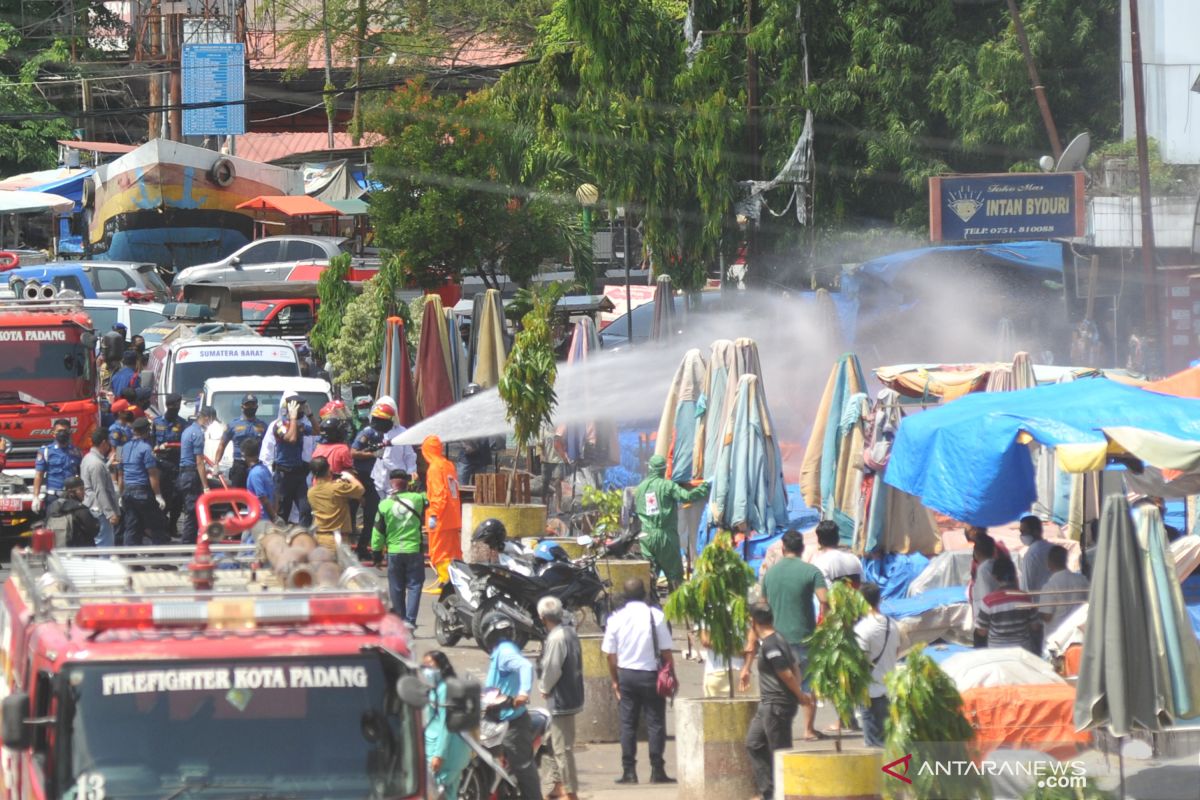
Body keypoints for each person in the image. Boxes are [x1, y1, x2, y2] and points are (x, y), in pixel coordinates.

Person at [744, 529, 827, 742]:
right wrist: (823, 622)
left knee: (778, 684)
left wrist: (752, 641)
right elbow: (824, 600)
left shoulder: (770, 573)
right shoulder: (811, 572)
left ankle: (778, 728)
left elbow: (761, 607)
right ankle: (808, 730)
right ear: (802, 549)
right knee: (809, 683)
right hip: (806, 636)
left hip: (775, 638)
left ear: (783, 549)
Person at [601, 578, 675, 785]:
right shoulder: (657, 616)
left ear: (624, 596)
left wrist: (615, 680)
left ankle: (629, 771)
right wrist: (672, 676)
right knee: (656, 722)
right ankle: (657, 769)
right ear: (645, 594)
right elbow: (667, 652)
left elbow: (610, 655)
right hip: (651, 674)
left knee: (627, 723)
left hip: (627, 675)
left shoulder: (615, 619)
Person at [741, 603, 810, 800]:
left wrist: (799, 695)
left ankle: (787, 793)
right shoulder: (777, 639)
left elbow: (786, 673)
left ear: (754, 622)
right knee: (754, 743)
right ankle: (769, 792)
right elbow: (795, 666)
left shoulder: (772, 644)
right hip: (768, 704)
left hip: (777, 705)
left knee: (780, 752)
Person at [480, 612, 542, 799]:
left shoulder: (505, 652)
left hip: (512, 722)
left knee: (522, 767)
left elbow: (526, 666)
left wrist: (523, 693)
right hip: (496, 718)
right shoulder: (501, 651)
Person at [632, 454, 710, 590]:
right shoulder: (668, 486)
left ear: (649, 469)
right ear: (663, 470)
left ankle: (648, 604)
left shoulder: (639, 489)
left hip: (646, 537)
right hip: (665, 537)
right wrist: (705, 487)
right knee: (675, 576)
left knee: (649, 576)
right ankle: (676, 607)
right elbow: (688, 497)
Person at [538, 596, 584, 800]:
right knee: (549, 743)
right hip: (570, 697)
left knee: (562, 748)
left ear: (542, 617)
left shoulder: (557, 638)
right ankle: (556, 785)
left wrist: (544, 687)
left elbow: (552, 669)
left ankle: (570, 791)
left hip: (561, 700)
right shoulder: (569, 632)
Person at [371, 469, 427, 629]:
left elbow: (378, 532)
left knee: (396, 587)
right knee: (415, 586)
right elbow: (428, 499)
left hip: (394, 551)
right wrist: (417, 484)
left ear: (391, 482)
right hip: (414, 550)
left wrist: (376, 555)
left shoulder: (384, 505)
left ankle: (399, 621)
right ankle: (410, 621)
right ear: (407, 482)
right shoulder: (417, 499)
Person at [421, 651, 470, 800]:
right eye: (425, 666)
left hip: (447, 753)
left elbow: (445, 724)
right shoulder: (436, 687)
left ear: (441, 667)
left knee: (440, 793)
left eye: (431, 666)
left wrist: (439, 755)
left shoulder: (446, 689)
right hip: (439, 749)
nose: (427, 670)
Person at [853, 582, 898, 748]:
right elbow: (897, 650)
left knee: (873, 745)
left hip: (870, 693)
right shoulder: (891, 624)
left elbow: (860, 661)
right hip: (889, 688)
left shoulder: (863, 629)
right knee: (888, 741)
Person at [976, 556, 1041, 653]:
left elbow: (982, 631)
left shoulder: (988, 601)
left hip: (997, 652)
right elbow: (1035, 626)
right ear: (1014, 574)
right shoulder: (1025, 598)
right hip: (1022, 651)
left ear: (994, 576)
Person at [421, 435, 462, 589]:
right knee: (453, 551)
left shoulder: (434, 468)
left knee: (439, 551)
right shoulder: (448, 465)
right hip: (453, 516)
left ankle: (445, 583)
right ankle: (454, 582)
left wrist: (433, 516)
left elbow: (439, 494)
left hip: (441, 518)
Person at [118, 417, 168, 545]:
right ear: (147, 431)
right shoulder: (146, 449)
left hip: (128, 492)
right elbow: (152, 474)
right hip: (142, 492)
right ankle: (157, 558)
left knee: (132, 527)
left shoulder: (122, 448)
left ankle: (130, 561)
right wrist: (158, 495)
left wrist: (120, 493)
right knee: (157, 525)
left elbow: (120, 473)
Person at [350, 404, 390, 556]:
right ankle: (350, 547)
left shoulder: (379, 434)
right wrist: (373, 455)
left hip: (366, 477)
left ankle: (361, 548)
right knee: (353, 512)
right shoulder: (367, 432)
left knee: (372, 512)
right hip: (357, 477)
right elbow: (353, 452)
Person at [272, 391, 313, 526]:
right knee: (283, 511)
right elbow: (291, 438)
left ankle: (303, 538)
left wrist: (310, 415)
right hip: (284, 474)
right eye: (298, 406)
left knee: (305, 509)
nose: (300, 409)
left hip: (299, 474)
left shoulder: (300, 425)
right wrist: (293, 418)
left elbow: (317, 432)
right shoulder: (279, 425)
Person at [306, 456, 364, 549]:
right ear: (328, 470)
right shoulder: (337, 487)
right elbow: (360, 489)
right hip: (337, 538)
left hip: (319, 536)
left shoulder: (311, 492)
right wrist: (350, 477)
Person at [177, 406, 215, 545]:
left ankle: (194, 543)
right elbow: (199, 461)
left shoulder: (187, 430)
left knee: (192, 510)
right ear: (206, 417)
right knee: (193, 513)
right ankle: (187, 547)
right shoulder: (198, 433)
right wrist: (205, 486)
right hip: (191, 474)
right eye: (210, 420)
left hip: (184, 474)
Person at [31, 419, 83, 517]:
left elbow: (81, 475)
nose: (62, 434)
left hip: (71, 497)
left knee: (73, 527)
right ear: (53, 433)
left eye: (65, 431)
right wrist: (35, 497)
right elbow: (39, 475)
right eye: (59, 431)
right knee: (53, 527)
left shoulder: (76, 452)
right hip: (53, 497)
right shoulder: (46, 451)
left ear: (70, 433)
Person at [216, 394, 267, 489]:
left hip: (256, 465)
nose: (250, 407)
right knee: (237, 497)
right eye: (248, 405)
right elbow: (222, 445)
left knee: (257, 494)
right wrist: (216, 464)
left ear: (257, 407)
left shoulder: (263, 426)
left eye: (253, 405)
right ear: (242, 407)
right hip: (239, 465)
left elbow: (269, 446)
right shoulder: (233, 425)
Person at [152, 393, 187, 532]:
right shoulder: (157, 422)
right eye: (174, 405)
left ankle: (173, 525)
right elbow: (151, 442)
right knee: (162, 496)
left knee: (177, 496)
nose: (176, 408)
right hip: (160, 464)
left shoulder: (182, 424)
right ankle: (161, 524)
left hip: (176, 464)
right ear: (168, 406)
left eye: (178, 405)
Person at [80, 429, 119, 547]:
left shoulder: (88, 458)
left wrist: (107, 465)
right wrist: (110, 514)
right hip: (100, 510)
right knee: (104, 546)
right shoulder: (97, 464)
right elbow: (100, 490)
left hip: (91, 506)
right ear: (103, 443)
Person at [1039, 545, 1089, 634]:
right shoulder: (1082, 580)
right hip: (1079, 635)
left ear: (1049, 563)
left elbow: (1047, 617)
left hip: (1056, 639)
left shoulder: (1050, 587)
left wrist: (1035, 613)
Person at [47, 476, 100, 547]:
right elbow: (93, 530)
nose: (84, 493)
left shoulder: (52, 507)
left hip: (57, 551)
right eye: (81, 489)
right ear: (71, 492)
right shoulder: (80, 509)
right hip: (80, 552)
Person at [811, 520, 863, 587]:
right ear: (838, 539)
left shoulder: (820, 563)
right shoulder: (854, 559)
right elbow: (863, 586)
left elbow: (825, 594)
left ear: (819, 541)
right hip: (856, 596)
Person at [969, 533, 1000, 648]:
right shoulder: (994, 566)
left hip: (986, 628)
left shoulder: (983, 570)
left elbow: (986, 599)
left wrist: (982, 628)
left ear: (976, 551)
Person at [700, 625, 746, 698]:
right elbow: (751, 646)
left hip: (717, 671)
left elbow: (705, 640)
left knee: (714, 708)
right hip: (741, 670)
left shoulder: (708, 613)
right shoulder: (747, 614)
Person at [243, 438, 277, 523]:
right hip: (267, 518)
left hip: (259, 520)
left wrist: (274, 516)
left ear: (244, 454)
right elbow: (275, 494)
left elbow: (262, 497)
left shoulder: (255, 474)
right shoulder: (264, 469)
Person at [1018, 515, 1053, 592]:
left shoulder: (1031, 555)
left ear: (1036, 531)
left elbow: (1027, 587)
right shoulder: (1052, 548)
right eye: (1021, 532)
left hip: (1037, 601)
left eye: (1024, 532)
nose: (1021, 535)